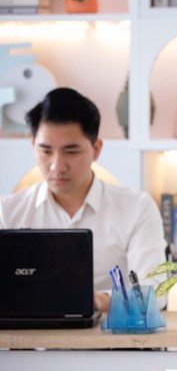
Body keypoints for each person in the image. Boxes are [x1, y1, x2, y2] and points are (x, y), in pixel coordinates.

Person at [0, 87, 167, 312]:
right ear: (33, 146)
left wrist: (101, 301)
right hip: (27, 333)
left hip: (109, 332)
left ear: (96, 149)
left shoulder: (136, 208)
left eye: (71, 152)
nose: (57, 166)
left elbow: (156, 292)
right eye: (46, 151)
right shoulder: (7, 211)